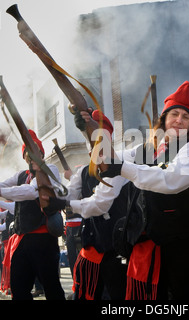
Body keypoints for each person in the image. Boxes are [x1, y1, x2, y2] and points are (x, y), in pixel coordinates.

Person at [94, 81, 189, 300]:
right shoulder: (148, 149)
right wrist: (97, 131)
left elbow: (172, 178)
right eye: (174, 114)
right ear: (164, 120)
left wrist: (123, 168)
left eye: (185, 117)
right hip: (150, 243)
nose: (179, 120)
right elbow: (110, 158)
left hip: (185, 245)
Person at [0, 129, 65, 300]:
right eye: (27, 154)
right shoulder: (21, 175)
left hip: (44, 239)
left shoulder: (49, 169)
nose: (30, 156)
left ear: (41, 152)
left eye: (34, 151)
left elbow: (31, 191)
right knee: (19, 289)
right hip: (24, 240)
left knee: (52, 288)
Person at [46, 109, 129, 300]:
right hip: (93, 245)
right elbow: (67, 193)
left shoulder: (119, 165)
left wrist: (65, 204)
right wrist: (47, 184)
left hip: (119, 247)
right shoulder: (83, 171)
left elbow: (99, 205)